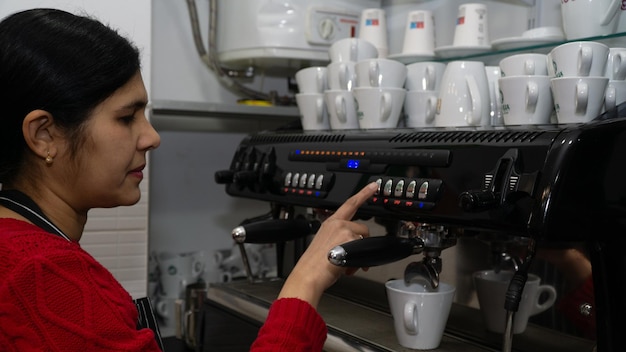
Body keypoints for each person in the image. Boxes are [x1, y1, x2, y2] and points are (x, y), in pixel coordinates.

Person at [0, 8, 375, 351]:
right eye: (127, 117)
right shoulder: (40, 274)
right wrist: (307, 279)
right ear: (44, 135)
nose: (152, 137)